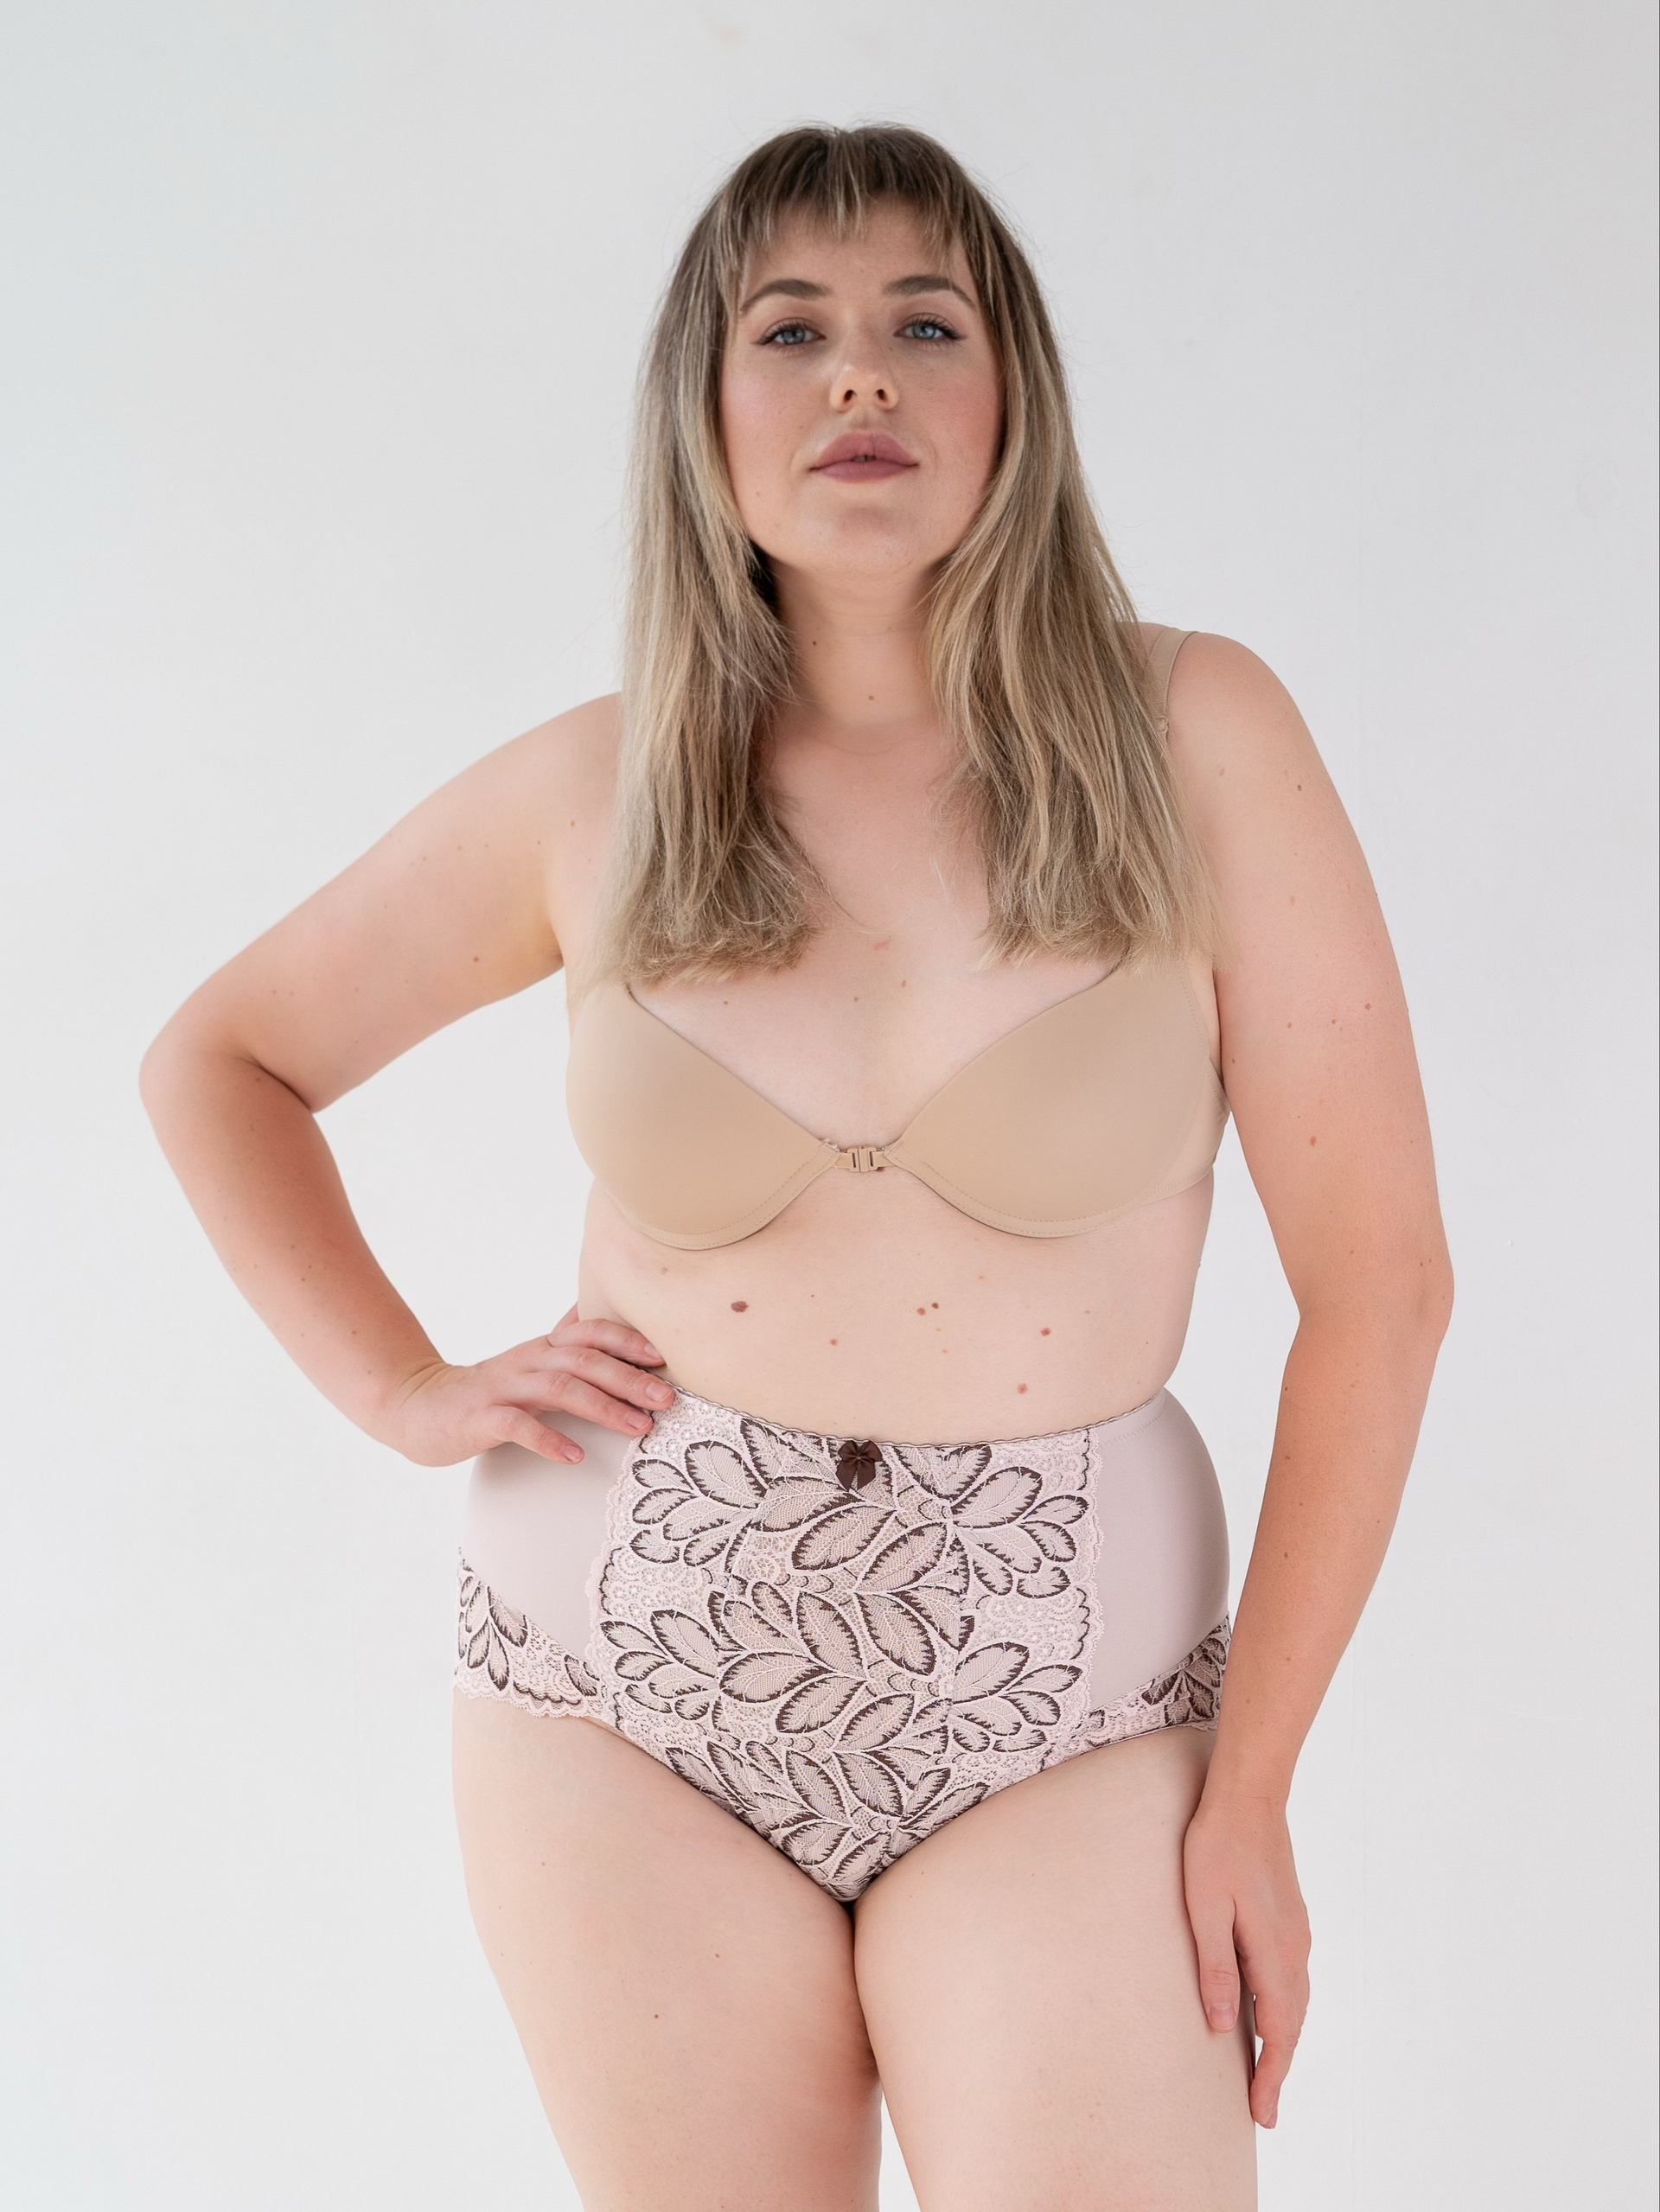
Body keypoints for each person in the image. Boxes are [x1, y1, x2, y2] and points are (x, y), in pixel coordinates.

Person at [141, 123, 1452, 2212]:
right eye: (791, 330)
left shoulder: (1198, 734)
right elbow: (223, 1059)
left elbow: (1381, 1284)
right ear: (707, 410)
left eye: (925, 324)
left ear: (1012, 397)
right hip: (614, 1694)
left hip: (1071, 1709)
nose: (860, 374)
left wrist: (1257, 1787)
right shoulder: (606, 788)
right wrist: (400, 1385)